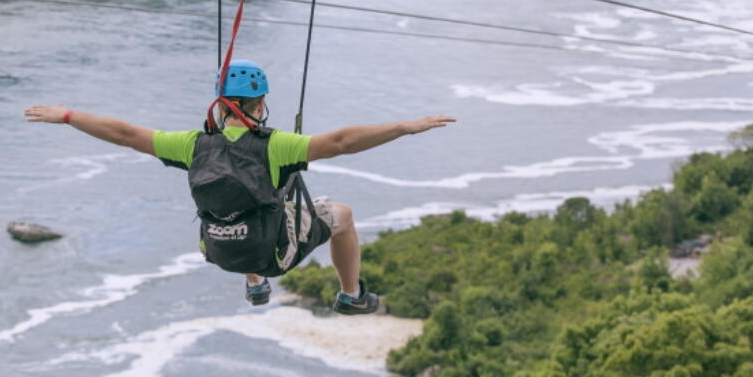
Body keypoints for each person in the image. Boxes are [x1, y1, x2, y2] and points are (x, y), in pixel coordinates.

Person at [24, 59, 455, 313]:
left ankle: (254, 286)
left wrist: (68, 116)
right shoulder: (276, 146)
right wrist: (402, 127)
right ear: (261, 103)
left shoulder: (191, 144)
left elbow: (124, 133)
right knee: (340, 215)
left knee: (235, 205)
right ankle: (351, 295)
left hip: (218, 251)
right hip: (271, 251)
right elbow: (342, 142)